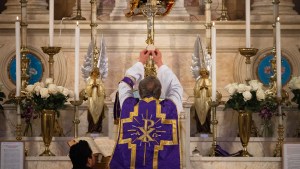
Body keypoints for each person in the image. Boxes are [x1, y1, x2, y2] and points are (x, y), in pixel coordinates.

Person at [110, 49, 183, 169]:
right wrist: (160, 63)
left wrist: (140, 62)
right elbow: (176, 87)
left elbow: (124, 85)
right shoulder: (169, 109)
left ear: (139, 91)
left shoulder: (129, 107)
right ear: (160, 92)